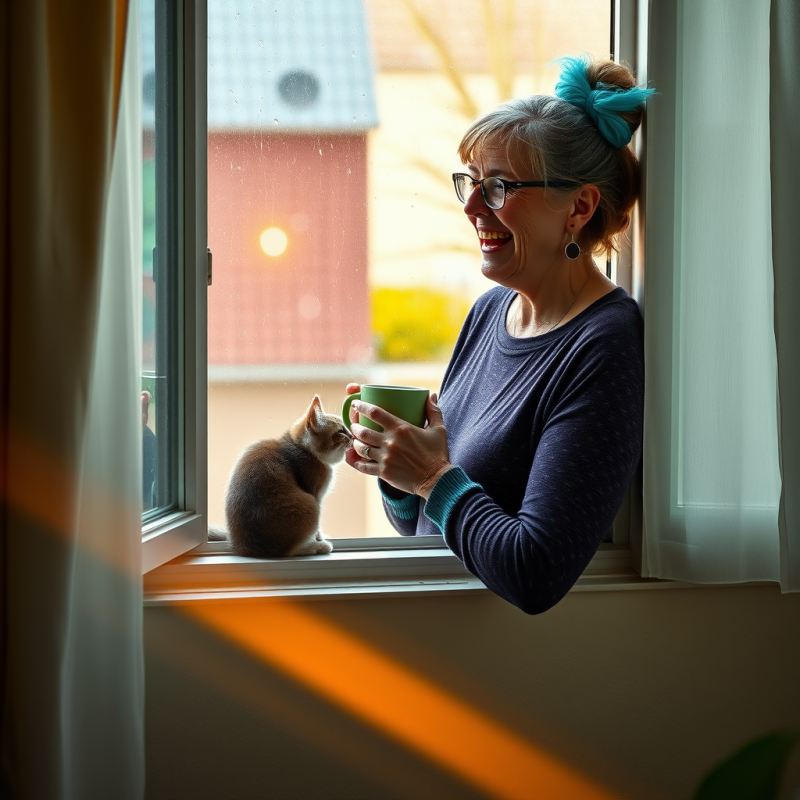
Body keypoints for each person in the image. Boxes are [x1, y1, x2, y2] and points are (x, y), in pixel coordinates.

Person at [345, 55, 654, 614]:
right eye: (471, 183)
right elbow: (420, 525)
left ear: (579, 208)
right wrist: (398, 467)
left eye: (497, 188)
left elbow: (536, 571)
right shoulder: (489, 313)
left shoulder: (604, 344)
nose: (469, 207)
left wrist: (433, 476)